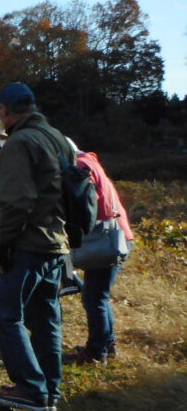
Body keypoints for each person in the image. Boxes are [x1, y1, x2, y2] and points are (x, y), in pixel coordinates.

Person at [0, 82, 71, 411]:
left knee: (5, 315)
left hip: (28, 242)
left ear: (5, 111)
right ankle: (50, 388)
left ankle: (30, 389)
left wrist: (4, 244)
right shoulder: (56, 137)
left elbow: (17, 201)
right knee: (45, 317)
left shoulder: (20, 141)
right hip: (56, 243)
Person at [64, 138, 134, 365]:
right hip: (115, 236)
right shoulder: (89, 161)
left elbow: (86, 202)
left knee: (95, 299)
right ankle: (107, 343)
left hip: (106, 239)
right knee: (98, 296)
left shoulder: (81, 167)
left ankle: (96, 352)